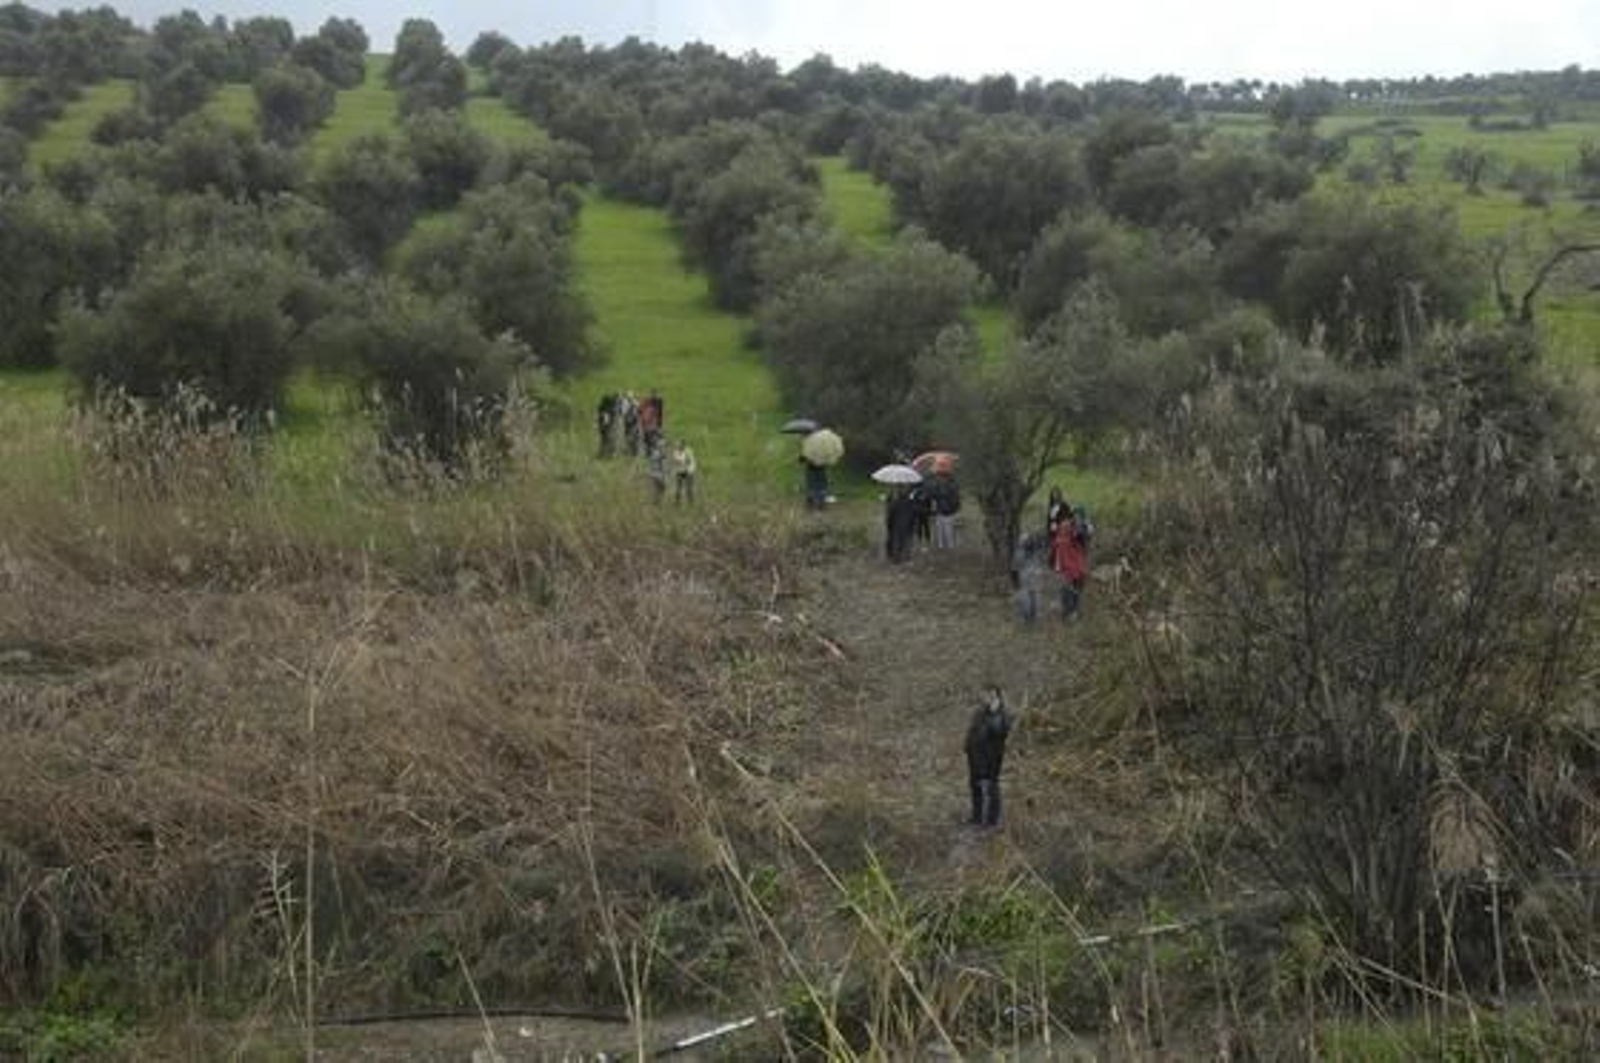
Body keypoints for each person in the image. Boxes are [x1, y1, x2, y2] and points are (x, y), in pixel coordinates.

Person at [964, 685, 1012, 827]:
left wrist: (994, 711)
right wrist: (967, 747)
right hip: (975, 757)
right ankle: (976, 817)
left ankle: (992, 821)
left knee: (991, 787)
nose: (986, 698)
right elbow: (973, 731)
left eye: (990, 695)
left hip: (991, 758)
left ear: (997, 696)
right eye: (985, 695)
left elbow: (1000, 731)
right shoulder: (980, 712)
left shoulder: (1002, 713)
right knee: (975, 787)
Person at [1050, 504, 1090, 618]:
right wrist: (1054, 561)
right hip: (1068, 567)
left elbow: (1082, 538)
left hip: (1077, 566)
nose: (1077, 519)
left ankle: (1073, 612)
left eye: (1080, 517)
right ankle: (1068, 613)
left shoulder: (1082, 529)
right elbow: (1056, 544)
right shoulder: (1065, 527)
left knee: (1076, 589)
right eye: (1075, 516)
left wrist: (1084, 529)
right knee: (1068, 590)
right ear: (1072, 517)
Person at [1011, 531, 1051, 624]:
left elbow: (1014, 567)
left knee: (1026, 596)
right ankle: (1034, 617)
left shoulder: (1019, 551)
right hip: (1036, 573)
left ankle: (1027, 618)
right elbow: (1044, 559)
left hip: (1025, 575)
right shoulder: (1037, 549)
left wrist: (1015, 582)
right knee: (1035, 595)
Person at [885, 487, 919, 563]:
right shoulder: (911, 503)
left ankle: (896, 558)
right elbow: (915, 514)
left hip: (897, 525)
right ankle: (907, 557)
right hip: (908, 525)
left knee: (897, 541)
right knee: (907, 541)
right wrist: (914, 525)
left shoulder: (895, 503)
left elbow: (890, 515)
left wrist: (889, 525)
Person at [930, 472, 961, 550]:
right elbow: (934, 496)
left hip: (947, 510)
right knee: (942, 529)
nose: (939, 478)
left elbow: (955, 498)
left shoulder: (950, 486)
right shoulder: (938, 486)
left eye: (940, 477)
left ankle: (948, 545)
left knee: (947, 529)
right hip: (942, 510)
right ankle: (943, 545)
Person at [671, 439, 697, 504]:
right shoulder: (675, 452)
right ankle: (677, 502)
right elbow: (676, 462)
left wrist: (690, 470)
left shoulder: (688, 451)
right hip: (680, 471)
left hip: (688, 471)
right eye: (677, 445)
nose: (678, 446)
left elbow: (691, 461)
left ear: (683, 445)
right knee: (678, 488)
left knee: (689, 488)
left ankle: (691, 502)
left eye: (679, 445)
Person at [646, 436, 668, 503]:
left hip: (655, 473)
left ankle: (657, 500)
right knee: (660, 487)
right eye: (663, 446)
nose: (664, 448)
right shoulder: (657, 453)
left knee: (659, 488)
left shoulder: (655, 452)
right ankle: (656, 501)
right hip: (657, 473)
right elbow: (660, 461)